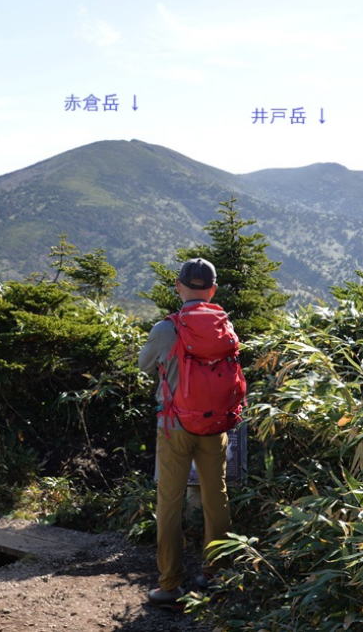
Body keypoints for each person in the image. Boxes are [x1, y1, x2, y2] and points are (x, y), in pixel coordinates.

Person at [138, 257, 234, 607]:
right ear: (212, 290)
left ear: (179, 286)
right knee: (216, 496)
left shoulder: (167, 329)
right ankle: (216, 573)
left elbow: (144, 364)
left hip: (175, 426)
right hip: (216, 425)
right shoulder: (225, 324)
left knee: (169, 502)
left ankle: (169, 584)